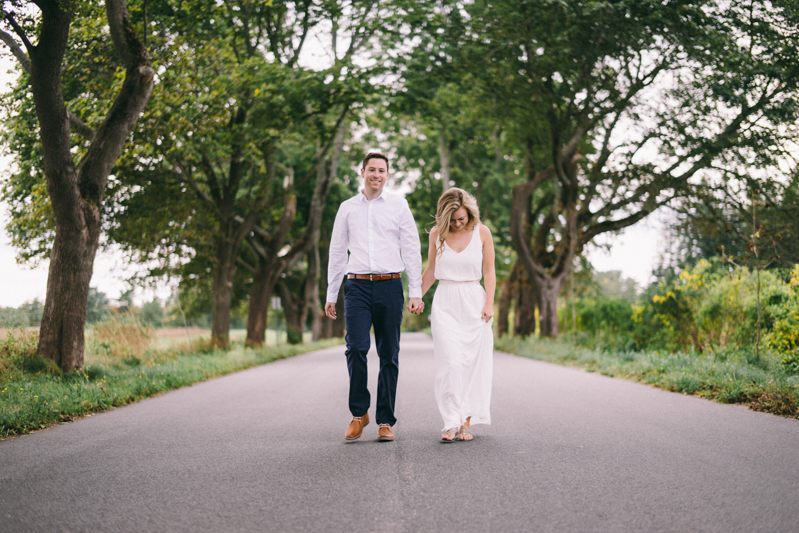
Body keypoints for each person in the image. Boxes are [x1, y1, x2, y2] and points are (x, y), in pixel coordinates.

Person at [325, 153, 423, 442]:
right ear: (362, 171)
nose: (376, 175)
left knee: (388, 354)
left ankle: (385, 421)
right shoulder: (347, 208)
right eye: (372, 169)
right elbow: (336, 252)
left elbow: (411, 248)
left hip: (390, 285)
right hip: (356, 286)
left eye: (382, 170)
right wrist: (332, 292)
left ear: (387, 175)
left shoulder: (399, 205)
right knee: (356, 348)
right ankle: (359, 414)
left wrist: (415, 291)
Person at [419, 188, 495, 442]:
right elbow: (430, 270)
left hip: (475, 302)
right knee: (450, 363)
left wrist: (490, 303)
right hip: (445, 302)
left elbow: (489, 271)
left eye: (461, 218)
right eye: (451, 219)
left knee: (471, 364)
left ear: (469, 213)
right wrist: (416, 295)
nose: (457, 223)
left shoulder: (482, 232)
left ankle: (466, 422)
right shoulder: (436, 234)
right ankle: (450, 421)